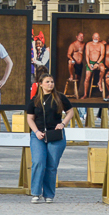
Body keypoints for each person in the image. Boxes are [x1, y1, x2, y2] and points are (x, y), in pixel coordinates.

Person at [27, 74, 74, 203]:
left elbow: (70, 111)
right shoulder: (35, 100)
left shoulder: (60, 98)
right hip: (38, 135)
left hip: (55, 135)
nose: (50, 84)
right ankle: (36, 193)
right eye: (47, 82)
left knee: (51, 166)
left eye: (52, 82)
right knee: (38, 161)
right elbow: (30, 118)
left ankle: (49, 194)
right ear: (41, 84)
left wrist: (63, 123)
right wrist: (36, 131)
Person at [84, 32, 107, 98]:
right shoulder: (88, 44)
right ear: (92, 37)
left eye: (97, 37)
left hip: (99, 62)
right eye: (95, 36)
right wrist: (88, 64)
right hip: (90, 62)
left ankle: (99, 82)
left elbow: (102, 55)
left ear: (99, 38)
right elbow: (87, 55)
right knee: (87, 77)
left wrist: (97, 63)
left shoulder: (101, 45)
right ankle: (85, 94)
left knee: (102, 68)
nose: (96, 38)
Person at [65, 32, 86, 98]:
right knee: (70, 62)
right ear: (76, 36)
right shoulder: (73, 45)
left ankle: (76, 92)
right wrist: (72, 59)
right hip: (74, 62)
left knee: (78, 79)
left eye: (82, 36)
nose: (81, 37)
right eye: (80, 36)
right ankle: (71, 75)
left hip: (80, 64)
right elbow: (68, 54)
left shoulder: (84, 44)